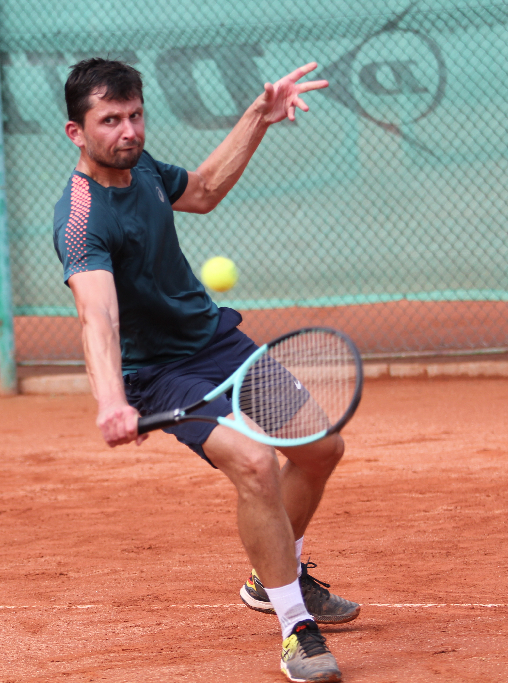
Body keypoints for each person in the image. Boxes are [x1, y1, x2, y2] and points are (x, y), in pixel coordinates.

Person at [52, 58, 359, 682]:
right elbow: (97, 317)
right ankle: (296, 629)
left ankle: (274, 577)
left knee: (321, 448)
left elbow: (206, 188)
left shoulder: (142, 169)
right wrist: (111, 401)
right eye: (109, 120)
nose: (128, 131)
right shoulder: (82, 220)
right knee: (254, 463)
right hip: (158, 376)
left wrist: (259, 117)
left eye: (135, 115)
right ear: (76, 133)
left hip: (214, 341)